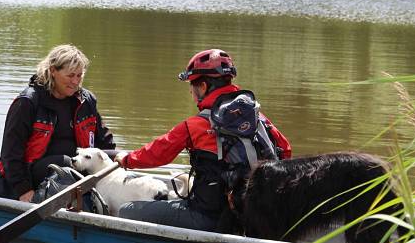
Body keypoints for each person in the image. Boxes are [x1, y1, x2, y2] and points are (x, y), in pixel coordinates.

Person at [114, 48, 291, 231]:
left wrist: (127, 159)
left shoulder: (196, 125)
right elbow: (285, 150)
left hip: (209, 218)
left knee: (127, 211)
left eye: (192, 85)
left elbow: (159, 152)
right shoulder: (257, 117)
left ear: (203, 87)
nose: (191, 92)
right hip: (255, 216)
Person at [0, 44, 116, 202]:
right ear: (53, 70)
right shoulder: (27, 103)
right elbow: (10, 154)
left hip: (71, 175)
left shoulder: (86, 101)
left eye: (79, 75)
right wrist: (24, 191)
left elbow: (104, 143)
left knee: (107, 159)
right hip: (28, 179)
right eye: (70, 76)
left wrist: (119, 163)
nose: (75, 82)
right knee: (65, 162)